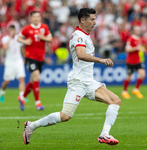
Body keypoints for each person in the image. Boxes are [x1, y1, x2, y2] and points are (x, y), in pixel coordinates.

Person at [22, 8, 121, 146]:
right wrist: (101, 60)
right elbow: (80, 54)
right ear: (82, 20)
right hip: (78, 82)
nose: (95, 22)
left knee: (115, 101)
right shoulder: (78, 35)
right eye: (92, 19)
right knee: (65, 116)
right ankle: (31, 126)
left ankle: (104, 134)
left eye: (95, 19)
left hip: (89, 82)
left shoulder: (86, 36)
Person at [17, 11, 52, 111]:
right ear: (31, 18)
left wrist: (43, 37)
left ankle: (22, 97)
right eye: (34, 17)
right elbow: (19, 38)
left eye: (38, 16)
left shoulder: (44, 27)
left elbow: (50, 39)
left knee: (33, 81)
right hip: (30, 56)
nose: (36, 18)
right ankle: (38, 103)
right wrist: (25, 41)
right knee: (37, 76)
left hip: (40, 57)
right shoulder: (27, 28)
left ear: (40, 18)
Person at [0, 25, 26, 104]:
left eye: (13, 30)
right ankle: (2, 93)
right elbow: (4, 48)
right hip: (9, 62)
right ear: (9, 31)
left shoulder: (19, 38)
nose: (13, 32)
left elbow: (22, 49)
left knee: (21, 79)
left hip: (18, 61)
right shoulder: (5, 39)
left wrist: (24, 58)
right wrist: (10, 38)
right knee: (7, 81)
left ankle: (21, 97)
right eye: (11, 30)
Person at [121, 26, 146, 99]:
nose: (138, 31)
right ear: (134, 31)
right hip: (130, 61)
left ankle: (136, 89)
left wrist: (142, 50)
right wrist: (136, 48)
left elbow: (140, 48)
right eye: (136, 30)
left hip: (138, 60)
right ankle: (124, 91)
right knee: (129, 77)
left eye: (139, 30)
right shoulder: (130, 39)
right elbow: (127, 49)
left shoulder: (140, 39)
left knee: (143, 74)